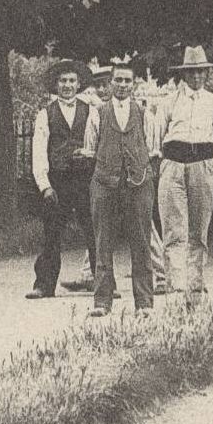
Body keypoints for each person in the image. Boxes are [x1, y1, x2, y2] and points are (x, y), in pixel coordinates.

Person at [80, 62, 159, 315]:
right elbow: (90, 149)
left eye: (127, 81)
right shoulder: (97, 113)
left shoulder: (146, 114)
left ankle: (144, 302)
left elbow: (153, 150)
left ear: (134, 84)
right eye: (119, 80)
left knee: (141, 242)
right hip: (105, 183)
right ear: (111, 83)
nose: (123, 85)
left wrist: (140, 173)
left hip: (138, 183)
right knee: (103, 242)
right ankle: (102, 302)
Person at [155, 46, 213, 305]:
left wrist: (207, 164)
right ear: (183, 74)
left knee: (199, 230)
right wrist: (171, 162)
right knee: (175, 231)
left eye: (201, 72)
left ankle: (195, 290)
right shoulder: (168, 102)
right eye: (192, 72)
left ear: (208, 74)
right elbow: (157, 139)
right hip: (174, 165)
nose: (197, 77)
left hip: (202, 166)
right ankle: (176, 290)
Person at [27, 61, 96, 299]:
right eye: (63, 81)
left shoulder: (92, 111)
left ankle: (103, 283)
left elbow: (98, 143)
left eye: (71, 81)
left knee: (94, 230)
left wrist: (91, 156)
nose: (67, 85)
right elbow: (38, 151)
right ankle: (44, 285)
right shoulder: (45, 114)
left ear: (79, 84)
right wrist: (45, 185)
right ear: (56, 85)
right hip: (58, 180)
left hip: (86, 178)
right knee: (52, 233)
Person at [59, 61, 115, 291]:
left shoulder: (127, 109)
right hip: (102, 174)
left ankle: (160, 274)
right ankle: (89, 274)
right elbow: (92, 143)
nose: (102, 90)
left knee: (140, 226)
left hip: (125, 174)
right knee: (96, 225)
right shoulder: (95, 112)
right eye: (98, 86)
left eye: (106, 85)